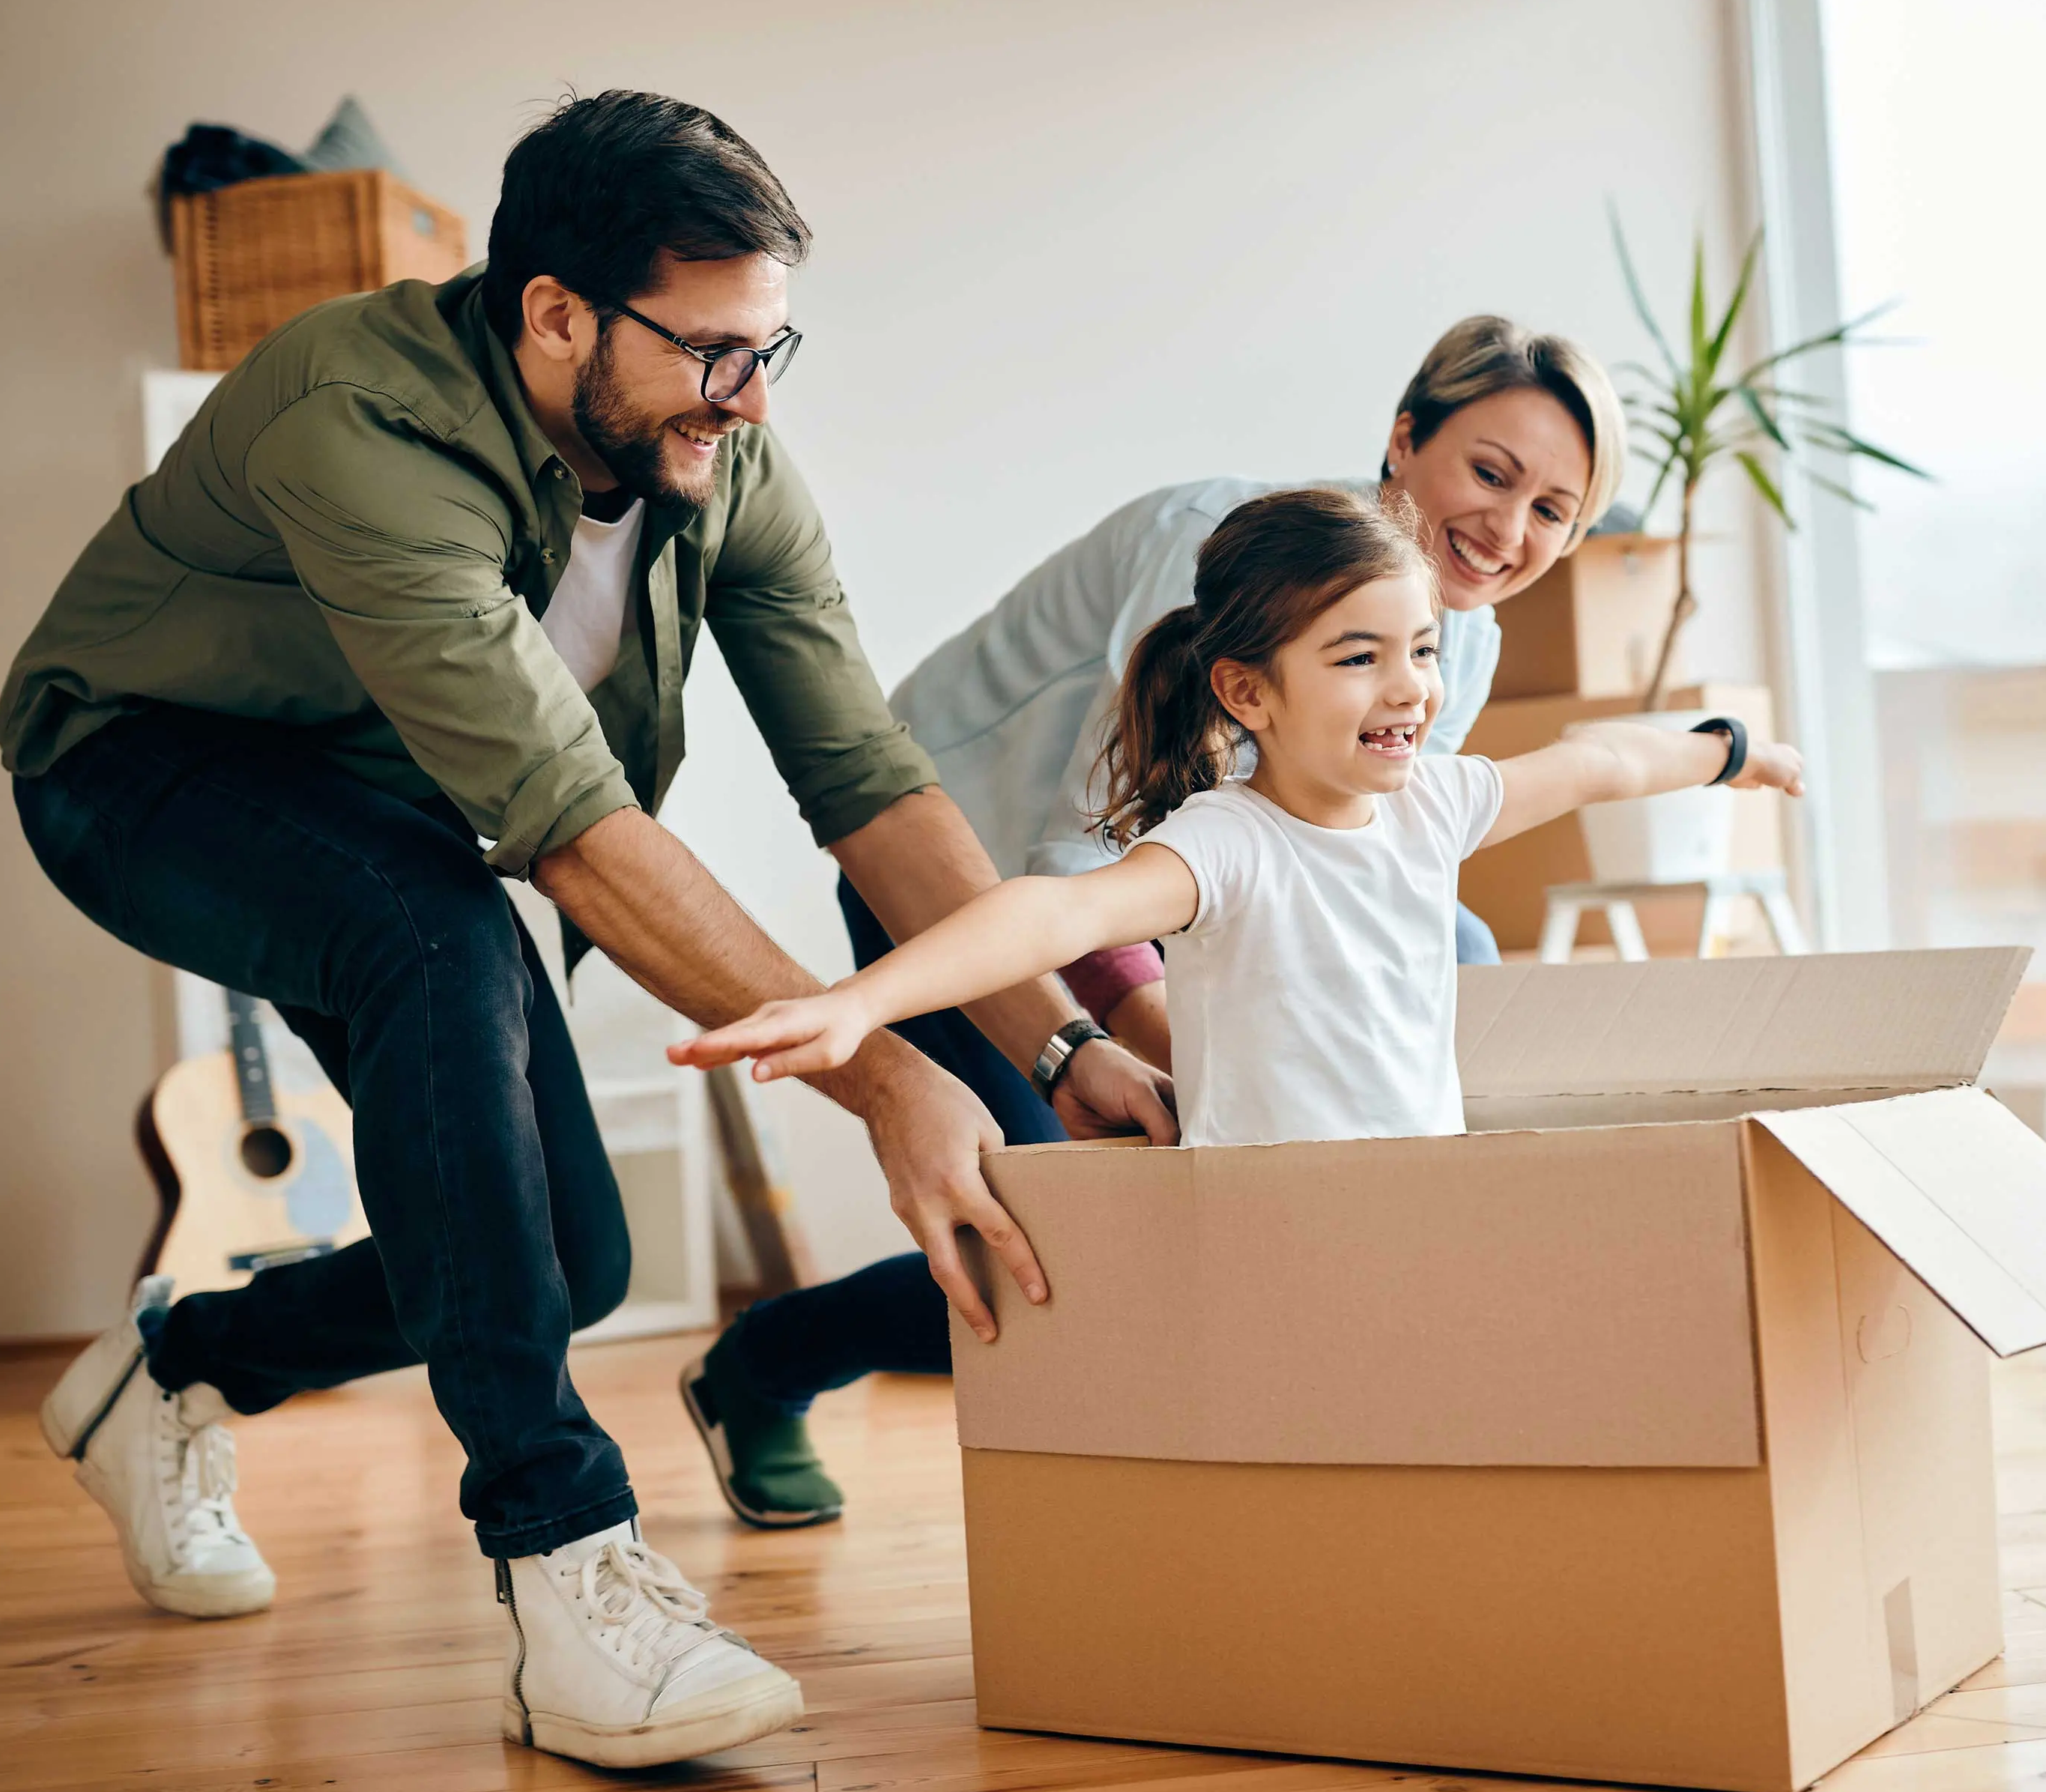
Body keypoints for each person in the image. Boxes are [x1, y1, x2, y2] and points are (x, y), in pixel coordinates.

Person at [0, 91, 1172, 1771]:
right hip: (135, 764)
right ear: (554, 313)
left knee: (567, 1261)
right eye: (712, 351)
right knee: (432, 927)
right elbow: (567, 830)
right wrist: (883, 1076)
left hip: (391, 811)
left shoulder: (718, 454)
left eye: (772, 349)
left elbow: (868, 781)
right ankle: (567, 1576)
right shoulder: (357, 418)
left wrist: (1059, 1037)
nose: (751, 398)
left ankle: (177, 1367)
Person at [677, 318, 1629, 1522]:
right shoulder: (1214, 554)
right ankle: (763, 1365)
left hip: (1152, 894)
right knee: (1053, 1243)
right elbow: (1091, 844)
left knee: (1464, 962)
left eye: (1555, 509)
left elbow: (1371, 860)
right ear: (1404, 439)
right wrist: (1166, 1039)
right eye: (1491, 474)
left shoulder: (1461, 634)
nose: (1509, 532)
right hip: (961, 874)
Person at [673, 489, 1803, 1145]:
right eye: (1359, 658)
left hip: (1418, 1202)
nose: (1409, 685)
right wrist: (859, 1003)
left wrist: (1729, 753)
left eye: (1421, 650)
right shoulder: (1226, 844)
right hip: (1270, 1225)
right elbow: (1046, 916)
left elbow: (1595, 761)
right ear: (1248, 692)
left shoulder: (1436, 805)